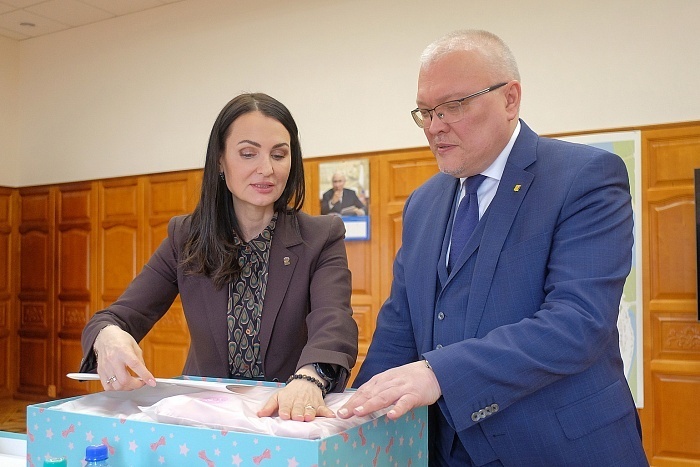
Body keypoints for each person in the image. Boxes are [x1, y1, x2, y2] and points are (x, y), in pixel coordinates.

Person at [338, 30, 648, 466]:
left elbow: (577, 323)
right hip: (443, 450)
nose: (435, 126)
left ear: (510, 99)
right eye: (425, 112)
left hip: (558, 448)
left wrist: (439, 373)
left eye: (454, 106)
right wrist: (350, 417)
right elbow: (400, 327)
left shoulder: (584, 177)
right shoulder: (422, 203)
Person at [79, 93, 358, 422]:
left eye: (279, 154)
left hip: (287, 417)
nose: (267, 169)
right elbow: (117, 317)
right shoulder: (186, 237)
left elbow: (334, 322)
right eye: (248, 153)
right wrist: (107, 336)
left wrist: (309, 378)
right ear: (220, 161)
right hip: (206, 418)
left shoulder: (321, 235)